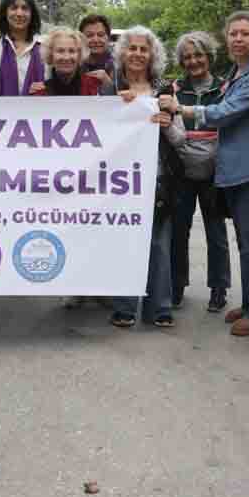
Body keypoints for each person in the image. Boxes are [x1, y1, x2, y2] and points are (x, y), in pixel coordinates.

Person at [160, 12, 249, 337]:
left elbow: (225, 114)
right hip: (212, 169)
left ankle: (248, 305)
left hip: (241, 169)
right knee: (237, 240)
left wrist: (181, 111)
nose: (238, 39)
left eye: (245, 34)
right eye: (233, 34)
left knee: (242, 241)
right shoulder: (237, 73)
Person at [109, 27, 176, 329]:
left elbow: (181, 140)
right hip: (117, 180)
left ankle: (160, 306)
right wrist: (114, 108)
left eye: (143, 49)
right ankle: (124, 306)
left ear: (152, 55)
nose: (137, 54)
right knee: (122, 242)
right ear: (122, 52)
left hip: (158, 178)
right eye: (131, 48)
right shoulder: (109, 88)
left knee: (159, 244)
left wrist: (167, 123)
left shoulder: (164, 89)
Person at [165, 31, 230, 314]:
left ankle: (219, 288)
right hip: (181, 168)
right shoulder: (174, 88)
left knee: (216, 231)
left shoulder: (225, 87)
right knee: (179, 229)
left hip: (216, 169)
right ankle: (176, 285)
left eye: (198, 55)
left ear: (209, 56)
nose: (193, 61)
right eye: (188, 57)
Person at [0, 0, 46, 96]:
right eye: (14, 8)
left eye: (25, 8)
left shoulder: (45, 47)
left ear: (32, 14)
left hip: (39, 112)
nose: (19, 14)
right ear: (5, 12)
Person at [34, 26, 106, 96]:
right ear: (50, 55)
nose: (66, 57)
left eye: (72, 51)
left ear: (79, 55)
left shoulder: (94, 87)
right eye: (60, 51)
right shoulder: (40, 93)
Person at [79, 12, 115, 89]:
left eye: (100, 35)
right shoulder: (73, 65)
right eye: (89, 35)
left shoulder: (120, 67)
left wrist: (109, 86)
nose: (95, 40)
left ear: (108, 38)